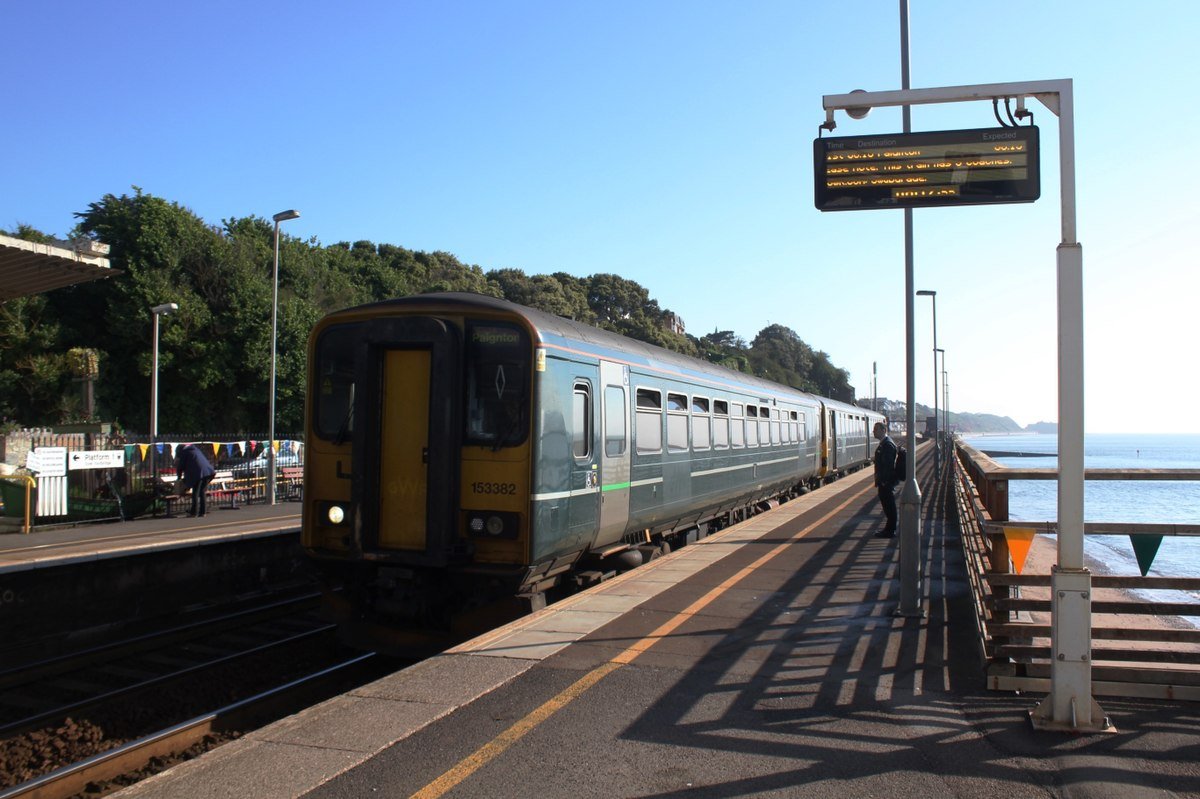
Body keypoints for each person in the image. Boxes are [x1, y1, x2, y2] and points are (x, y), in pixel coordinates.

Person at [872, 422, 898, 538]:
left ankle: (890, 530)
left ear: (883, 430)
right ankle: (889, 529)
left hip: (886, 482)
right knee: (887, 506)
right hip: (885, 481)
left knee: (889, 506)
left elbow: (888, 464)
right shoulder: (885, 443)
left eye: (876, 429)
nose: (874, 431)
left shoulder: (887, 445)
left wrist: (884, 481)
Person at [176, 443, 216, 517]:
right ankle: (203, 512)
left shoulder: (185, 453)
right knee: (202, 492)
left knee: (195, 493)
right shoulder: (196, 450)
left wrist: (179, 477)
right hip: (208, 472)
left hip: (199, 473)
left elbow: (181, 466)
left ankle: (194, 512)